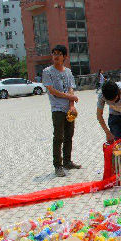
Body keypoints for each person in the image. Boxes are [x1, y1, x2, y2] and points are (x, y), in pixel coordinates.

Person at [42, 45, 80, 177]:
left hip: (68, 109)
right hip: (57, 109)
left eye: (59, 54)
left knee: (69, 135)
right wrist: (70, 97)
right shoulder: (47, 71)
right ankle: (58, 165)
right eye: (54, 54)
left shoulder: (68, 72)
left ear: (65, 57)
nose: (56, 56)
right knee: (58, 137)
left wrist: (71, 105)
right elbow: (52, 91)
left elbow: (71, 89)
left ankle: (67, 161)